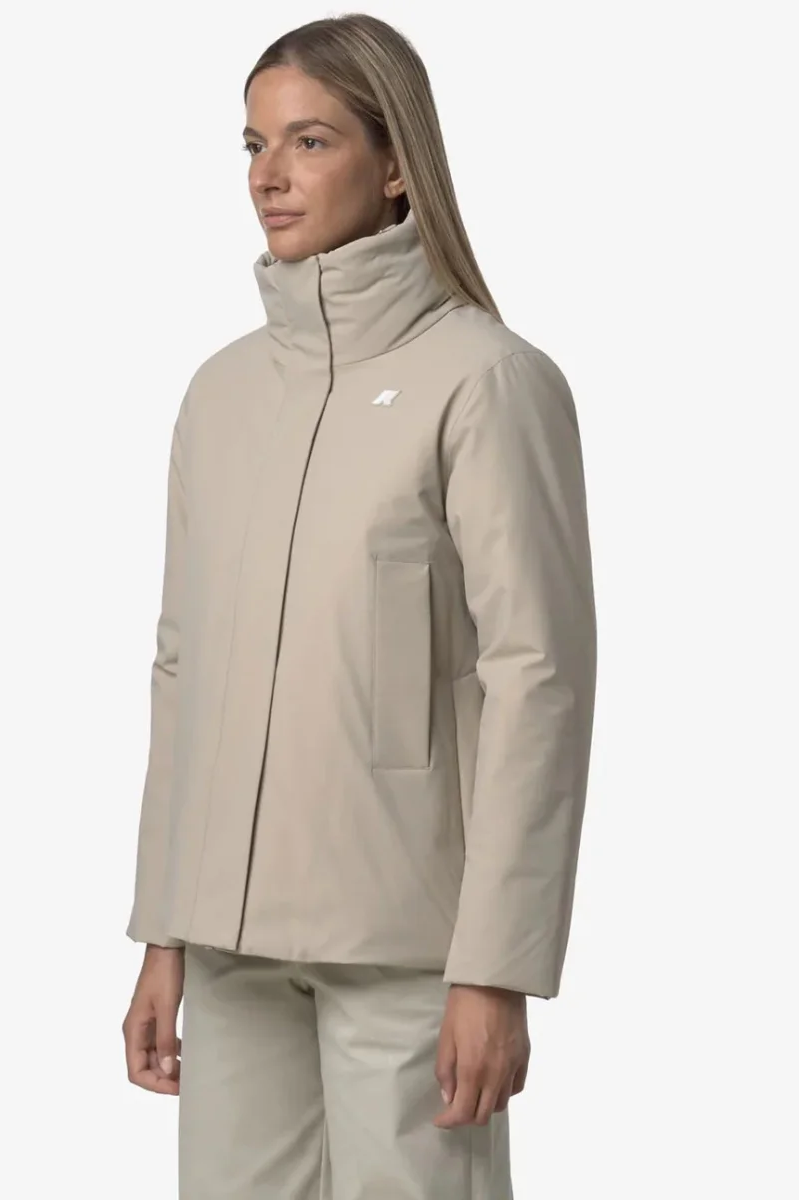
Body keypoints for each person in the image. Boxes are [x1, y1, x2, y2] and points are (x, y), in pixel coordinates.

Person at [121, 12, 597, 1199]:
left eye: (310, 140)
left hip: (410, 948)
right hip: (228, 946)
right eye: (253, 145)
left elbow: (538, 678)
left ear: (395, 164)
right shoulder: (222, 395)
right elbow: (181, 667)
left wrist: (495, 966)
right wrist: (162, 931)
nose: (268, 176)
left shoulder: (486, 381)